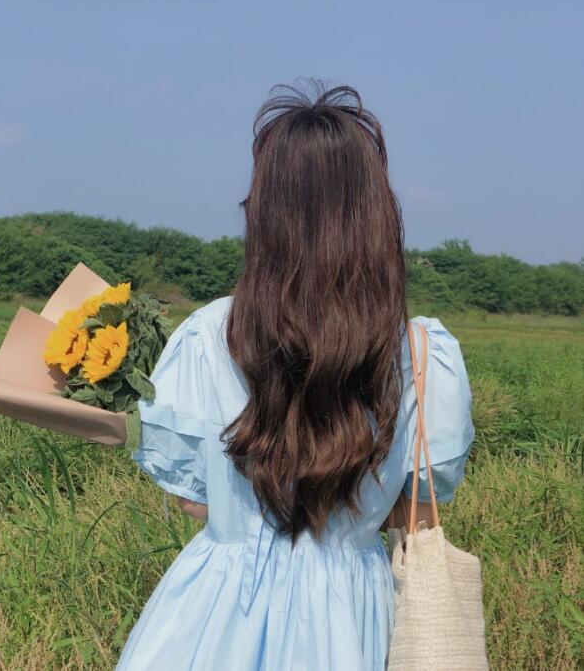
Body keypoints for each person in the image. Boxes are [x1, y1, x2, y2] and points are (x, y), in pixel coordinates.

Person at [115, 82, 475, 670]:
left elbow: (193, 502)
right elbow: (419, 512)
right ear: (375, 215)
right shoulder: (417, 350)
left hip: (214, 613)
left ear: (264, 210)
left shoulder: (208, 334)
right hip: (351, 615)